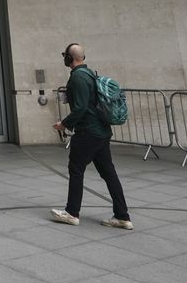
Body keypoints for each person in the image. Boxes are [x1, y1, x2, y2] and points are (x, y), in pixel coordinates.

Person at [50, 43, 132, 230]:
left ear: (69, 58)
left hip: (88, 132)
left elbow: (80, 108)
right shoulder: (90, 75)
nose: (64, 58)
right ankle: (122, 216)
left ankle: (72, 213)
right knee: (109, 174)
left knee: (76, 169)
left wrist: (63, 124)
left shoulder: (78, 77)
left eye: (64, 55)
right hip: (101, 132)